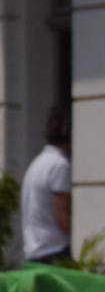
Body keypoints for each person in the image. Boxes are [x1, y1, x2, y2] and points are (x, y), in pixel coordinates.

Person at [21, 105, 71, 265]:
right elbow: (64, 219)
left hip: (34, 250)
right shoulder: (60, 165)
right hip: (54, 252)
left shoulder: (38, 163)